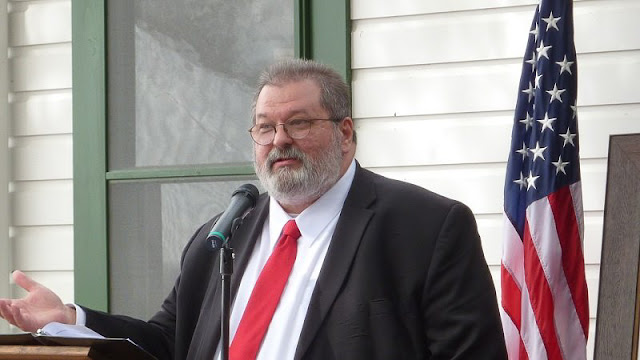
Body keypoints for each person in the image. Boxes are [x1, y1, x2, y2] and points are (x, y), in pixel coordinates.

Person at [0, 58, 507, 359]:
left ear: (346, 133)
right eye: (265, 127)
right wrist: (72, 317)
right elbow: (167, 343)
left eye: (300, 123)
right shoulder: (221, 236)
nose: (279, 140)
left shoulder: (427, 227)